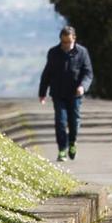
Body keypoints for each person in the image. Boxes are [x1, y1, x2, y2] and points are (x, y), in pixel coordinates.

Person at [39, 26, 94, 162]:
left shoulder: (82, 52)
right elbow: (47, 73)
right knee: (60, 122)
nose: (66, 45)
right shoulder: (53, 52)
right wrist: (42, 92)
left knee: (74, 121)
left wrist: (83, 86)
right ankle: (62, 149)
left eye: (68, 42)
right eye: (63, 42)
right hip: (58, 93)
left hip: (75, 94)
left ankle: (72, 142)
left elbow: (88, 73)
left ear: (74, 39)